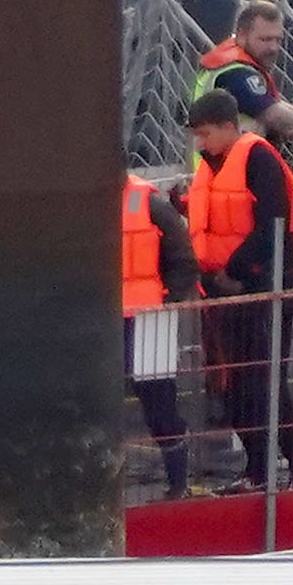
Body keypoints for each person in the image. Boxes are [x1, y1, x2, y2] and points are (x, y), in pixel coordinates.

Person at [187, 89, 293, 492]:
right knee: (237, 386)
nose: (200, 143)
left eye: (206, 133)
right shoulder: (210, 166)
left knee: (266, 382)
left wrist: (236, 270)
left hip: (262, 286)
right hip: (224, 291)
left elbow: (272, 227)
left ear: (229, 127)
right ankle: (257, 468)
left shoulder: (258, 158)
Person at [119, 172, 201, 498]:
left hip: (150, 320)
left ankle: (178, 484)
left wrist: (168, 301)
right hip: (100, 323)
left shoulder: (151, 205)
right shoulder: (77, 204)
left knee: (160, 405)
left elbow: (183, 260)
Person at [189, 0, 293, 142]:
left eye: (278, 40)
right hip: (225, 164)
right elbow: (277, 117)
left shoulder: (229, 60)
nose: (274, 48)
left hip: (218, 163)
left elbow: (274, 103)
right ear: (241, 36)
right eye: (265, 39)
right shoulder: (235, 74)